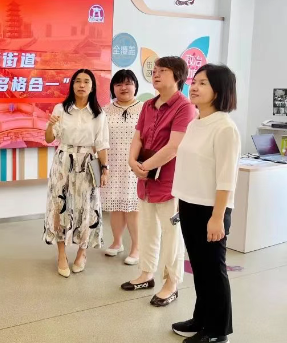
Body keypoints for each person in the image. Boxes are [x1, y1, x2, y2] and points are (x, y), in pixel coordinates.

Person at [171, 64, 240, 343]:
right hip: (190, 205)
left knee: (213, 270)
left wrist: (217, 218)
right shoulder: (196, 122)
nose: (195, 87)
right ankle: (202, 319)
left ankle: (218, 333)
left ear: (219, 90)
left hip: (212, 210)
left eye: (203, 83)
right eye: (195, 81)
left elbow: (226, 179)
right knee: (200, 269)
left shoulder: (225, 128)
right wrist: (182, 202)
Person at [120, 56, 195, 307]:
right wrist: (132, 161)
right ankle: (146, 274)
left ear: (178, 77)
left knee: (172, 235)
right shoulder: (148, 105)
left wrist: (144, 166)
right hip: (146, 180)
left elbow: (174, 147)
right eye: (155, 71)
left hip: (169, 182)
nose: (156, 74)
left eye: (163, 71)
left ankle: (172, 283)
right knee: (147, 228)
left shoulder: (184, 107)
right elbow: (138, 138)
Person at [43, 69, 110, 277]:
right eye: (78, 81)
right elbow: (49, 138)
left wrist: (105, 169)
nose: (82, 85)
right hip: (63, 159)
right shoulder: (61, 109)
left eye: (86, 81)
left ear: (92, 86)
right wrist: (50, 126)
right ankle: (61, 254)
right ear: (72, 85)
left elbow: (102, 144)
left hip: (87, 162)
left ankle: (82, 252)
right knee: (59, 205)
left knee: (87, 207)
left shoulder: (98, 114)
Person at [102, 69, 143, 265]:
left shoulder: (145, 109)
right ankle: (117, 242)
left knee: (133, 208)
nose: (123, 88)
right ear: (113, 88)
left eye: (128, 83)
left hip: (135, 166)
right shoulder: (105, 111)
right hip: (112, 165)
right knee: (115, 207)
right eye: (118, 84)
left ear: (135, 86)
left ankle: (136, 248)